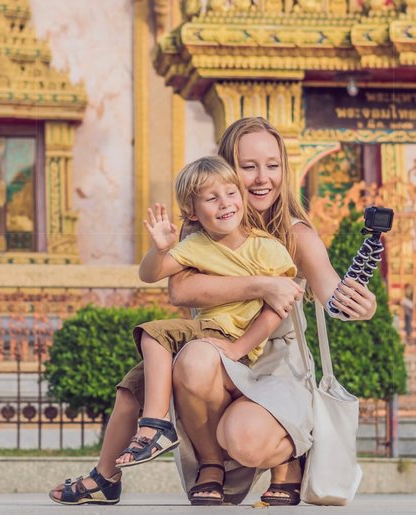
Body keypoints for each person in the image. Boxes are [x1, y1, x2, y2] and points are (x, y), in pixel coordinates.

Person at [50, 117, 376, 506]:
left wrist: (360, 304)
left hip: (272, 361)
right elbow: (181, 289)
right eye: (248, 166)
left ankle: (289, 455)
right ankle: (165, 469)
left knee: (243, 437)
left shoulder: (294, 235)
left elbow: (331, 293)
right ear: (226, 169)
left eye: (272, 165)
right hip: (212, 348)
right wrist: (261, 284)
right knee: (143, 382)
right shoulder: (202, 231)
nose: (262, 178)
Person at [115, 156, 296, 480]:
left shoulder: (267, 248)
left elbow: (277, 310)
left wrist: (241, 347)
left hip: (232, 339)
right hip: (205, 332)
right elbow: (150, 275)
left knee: (153, 334)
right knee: (131, 385)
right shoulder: (196, 245)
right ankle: (108, 475)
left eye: (231, 193)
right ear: (192, 213)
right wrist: (160, 249)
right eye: (212, 198)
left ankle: (155, 425)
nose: (225, 203)